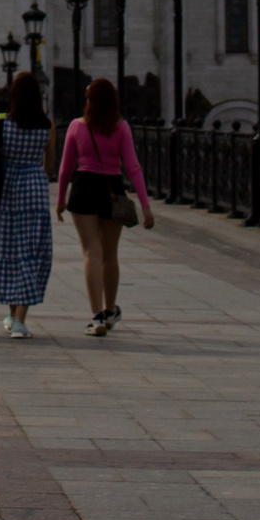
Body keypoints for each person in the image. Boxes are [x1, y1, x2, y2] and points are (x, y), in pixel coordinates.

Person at [57, 76, 154, 336]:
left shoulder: (76, 127)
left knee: (91, 252)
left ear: (89, 100)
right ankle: (110, 310)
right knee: (110, 255)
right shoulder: (120, 127)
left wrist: (60, 200)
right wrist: (145, 206)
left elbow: (66, 168)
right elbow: (132, 167)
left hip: (83, 187)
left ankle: (97, 316)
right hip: (112, 189)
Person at [0, 69, 53, 339]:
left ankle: (13, 317)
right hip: (34, 190)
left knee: (9, 251)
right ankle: (19, 319)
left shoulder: (2, 122)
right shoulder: (47, 125)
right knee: (32, 251)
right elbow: (49, 166)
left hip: (8, 191)